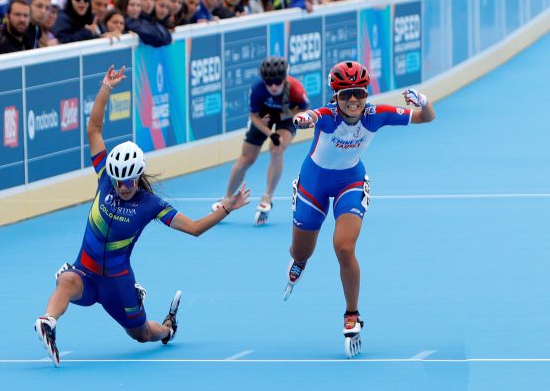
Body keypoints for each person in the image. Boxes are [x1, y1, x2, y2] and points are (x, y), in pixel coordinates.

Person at [34, 65, 251, 367]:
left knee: (140, 333)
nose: (123, 186)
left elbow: (194, 229)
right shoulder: (105, 179)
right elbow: (93, 129)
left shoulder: (150, 204)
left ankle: (168, 328)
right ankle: (47, 323)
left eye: (129, 181)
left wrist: (226, 207)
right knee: (66, 281)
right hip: (86, 273)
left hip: (118, 283)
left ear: (138, 176)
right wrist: (106, 87)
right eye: (118, 180)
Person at [284, 61, 435, 358]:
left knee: (343, 248)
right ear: (335, 96)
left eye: (359, 93)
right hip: (313, 184)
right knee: (300, 252)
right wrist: (303, 118)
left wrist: (425, 103)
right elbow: (311, 115)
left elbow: (425, 118)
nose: (353, 100)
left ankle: (352, 314)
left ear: (366, 93)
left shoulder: (376, 115)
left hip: (349, 183)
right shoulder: (327, 117)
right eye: (345, 95)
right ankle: (300, 261)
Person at [212, 56, 310, 226]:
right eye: (268, 82)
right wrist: (268, 132)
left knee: (277, 149)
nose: (273, 86)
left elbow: (305, 111)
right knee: (246, 159)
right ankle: (226, 198)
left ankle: (267, 198)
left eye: (277, 82)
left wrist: (283, 117)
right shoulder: (257, 89)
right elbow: (254, 117)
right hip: (263, 118)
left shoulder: (295, 88)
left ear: (285, 78)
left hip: (287, 117)